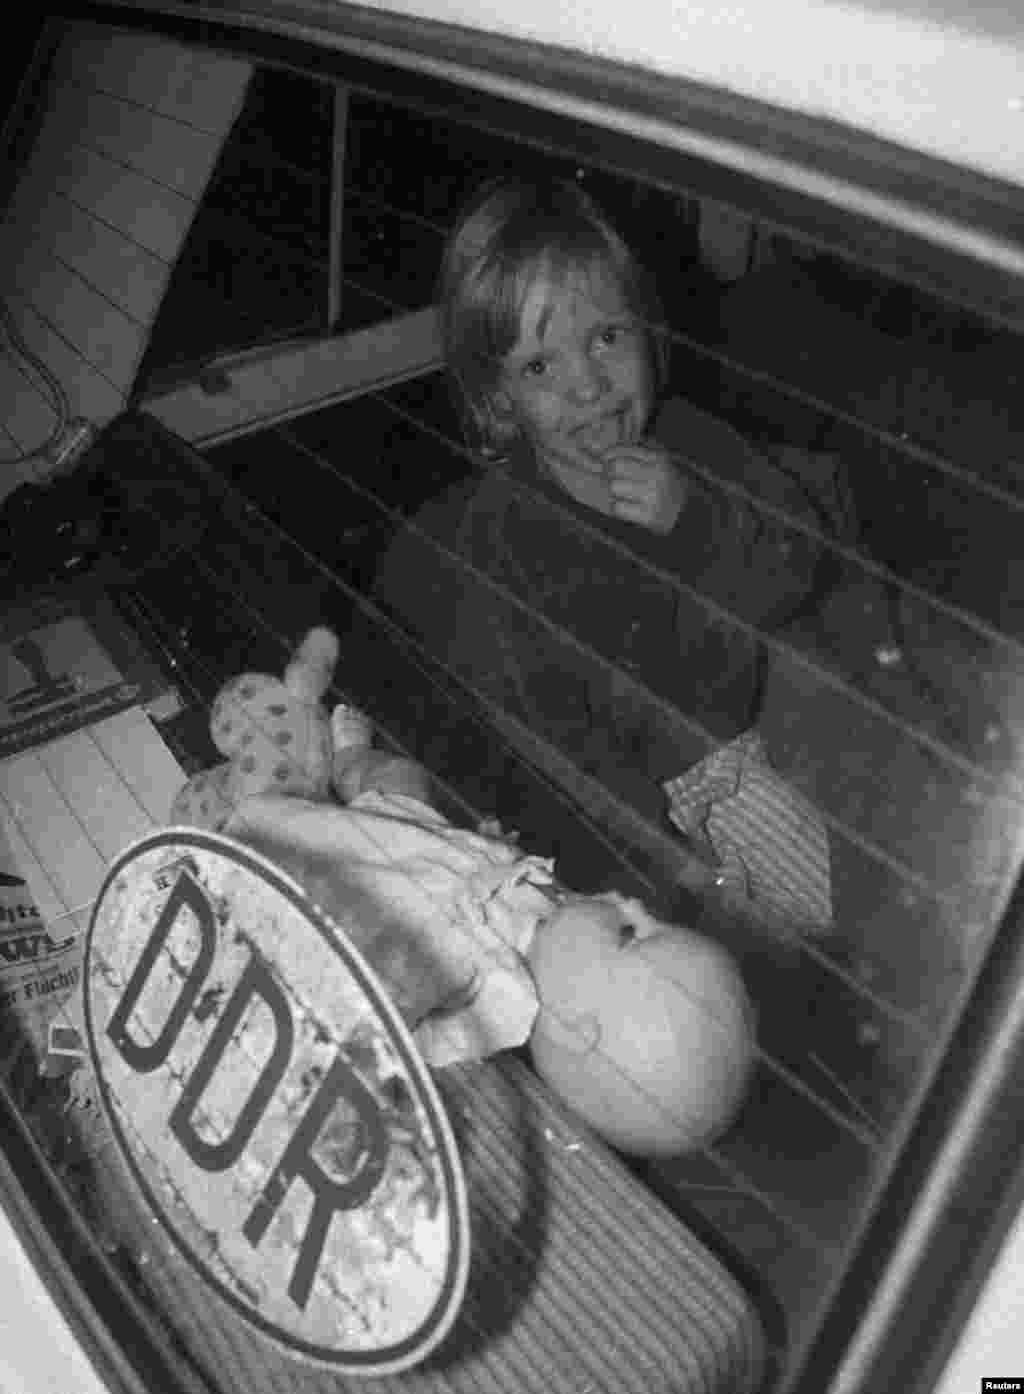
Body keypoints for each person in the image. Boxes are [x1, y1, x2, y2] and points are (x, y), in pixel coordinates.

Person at [366, 175, 849, 904]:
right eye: (540, 365)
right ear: (499, 400)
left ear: (648, 336)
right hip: (655, 806)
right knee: (810, 930)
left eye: (607, 337)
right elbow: (555, 742)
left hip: (768, 711)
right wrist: (669, 863)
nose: (588, 385)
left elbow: (799, 565)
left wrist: (695, 518)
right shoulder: (505, 538)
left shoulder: (691, 441)